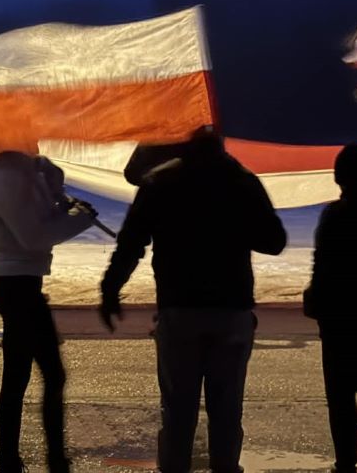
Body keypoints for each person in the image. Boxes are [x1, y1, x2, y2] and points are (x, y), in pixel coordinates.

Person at [100, 128, 287, 473]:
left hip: (179, 310)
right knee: (227, 410)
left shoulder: (160, 182)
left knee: (177, 411)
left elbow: (130, 244)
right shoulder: (240, 180)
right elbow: (274, 241)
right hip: (231, 310)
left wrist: (110, 289)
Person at [0, 149, 95, 473]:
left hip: (22, 283)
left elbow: (38, 220)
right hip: (17, 286)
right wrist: (79, 220)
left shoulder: (17, 173)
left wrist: (53, 185)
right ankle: (49, 460)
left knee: (20, 377)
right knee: (46, 375)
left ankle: (16, 460)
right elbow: (34, 236)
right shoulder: (5, 176)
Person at [303, 143, 357, 473]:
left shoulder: (333, 216)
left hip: (339, 322)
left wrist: (316, 304)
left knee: (340, 398)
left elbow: (322, 267)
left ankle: (345, 462)